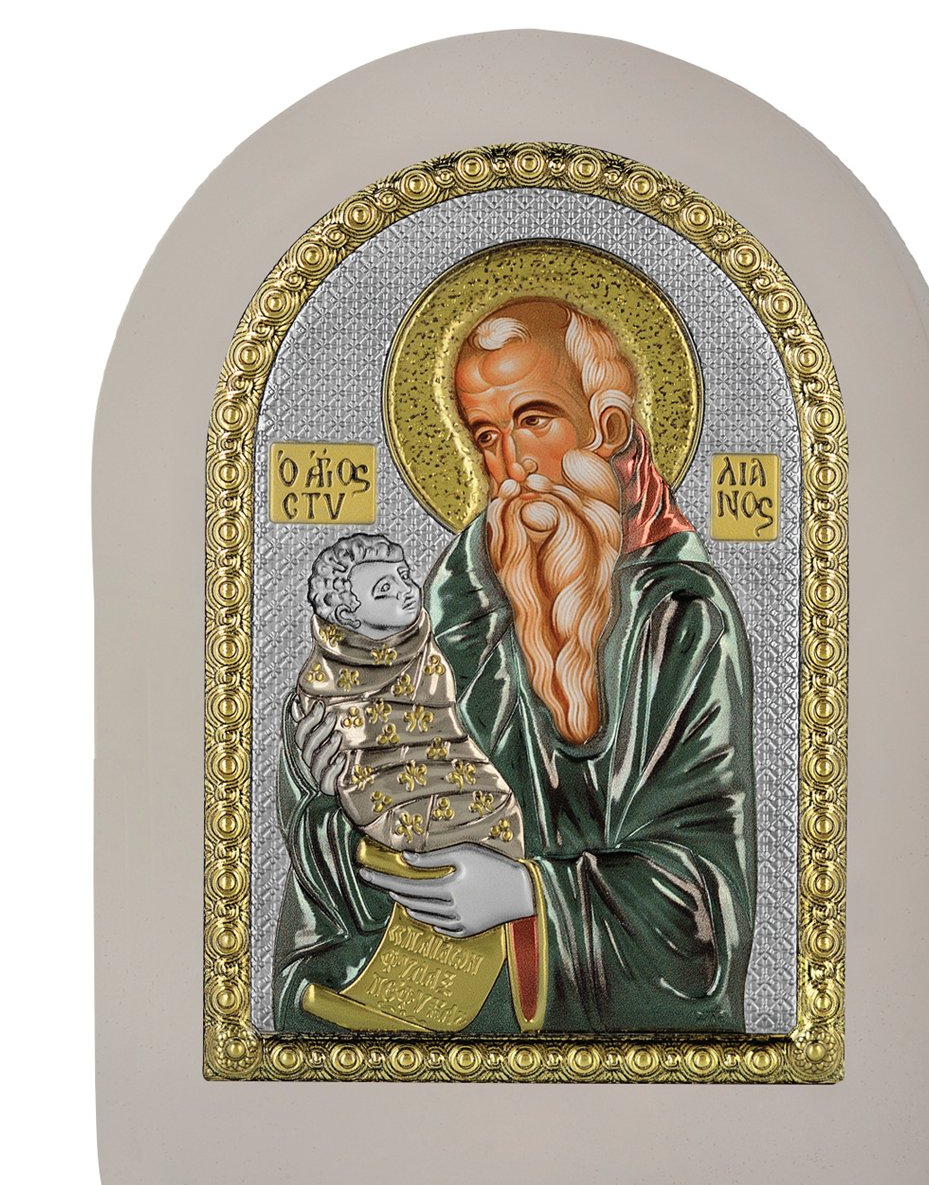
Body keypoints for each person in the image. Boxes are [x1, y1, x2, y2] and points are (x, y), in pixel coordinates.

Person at [280, 297, 756, 1034]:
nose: (512, 468)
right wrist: (333, 789)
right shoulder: (457, 599)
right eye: (487, 437)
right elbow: (384, 810)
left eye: (535, 420)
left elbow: (705, 912)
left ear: (608, 428)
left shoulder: (680, 614)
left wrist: (526, 897)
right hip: (443, 987)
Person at [293, 531, 524, 855]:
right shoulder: (328, 685)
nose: (406, 590)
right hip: (392, 808)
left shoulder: (425, 644)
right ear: (347, 616)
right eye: (384, 590)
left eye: (404, 575)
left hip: (467, 779)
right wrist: (319, 789)